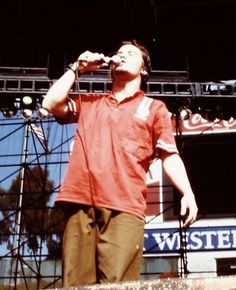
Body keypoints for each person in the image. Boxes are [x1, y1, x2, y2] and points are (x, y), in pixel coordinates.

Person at [42, 39, 198, 287]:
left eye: (131, 54)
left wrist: (187, 193)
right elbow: (50, 103)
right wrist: (77, 68)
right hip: (79, 200)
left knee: (118, 286)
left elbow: (170, 154)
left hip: (125, 206)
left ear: (144, 69)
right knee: (75, 285)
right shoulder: (91, 103)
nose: (122, 56)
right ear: (110, 67)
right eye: (119, 54)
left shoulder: (154, 107)